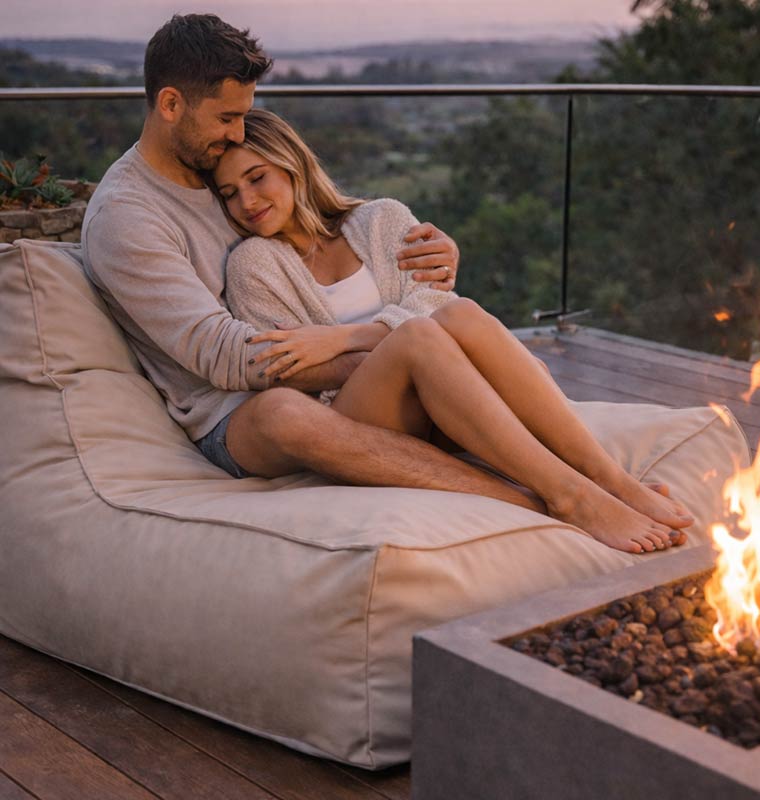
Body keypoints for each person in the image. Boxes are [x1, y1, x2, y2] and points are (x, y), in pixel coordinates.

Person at [81, 13, 557, 517]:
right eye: (226, 118)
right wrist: (390, 351)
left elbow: (319, 226)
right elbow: (224, 357)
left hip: (326, 378)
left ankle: (579, 479)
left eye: (244, 116)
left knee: (463, 340)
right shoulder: (127, 217)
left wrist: (434, 254)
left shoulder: (215, 164)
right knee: (287, 411)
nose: (238, 133)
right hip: (231, 412)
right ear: (171, 104)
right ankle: (531, 503)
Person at [210, 109, 695, 554]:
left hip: (440, 402)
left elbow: (437, 303)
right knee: (419, 337)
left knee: (461, 315)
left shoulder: (381, 219)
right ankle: (571, 496)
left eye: (257, 177)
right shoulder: (254, 265)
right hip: (356, 417)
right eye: (229, 193)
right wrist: (386, 342)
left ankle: (611, 480)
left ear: (292, 165)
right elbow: (291, 369)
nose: (246, 202)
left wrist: (343, 337)